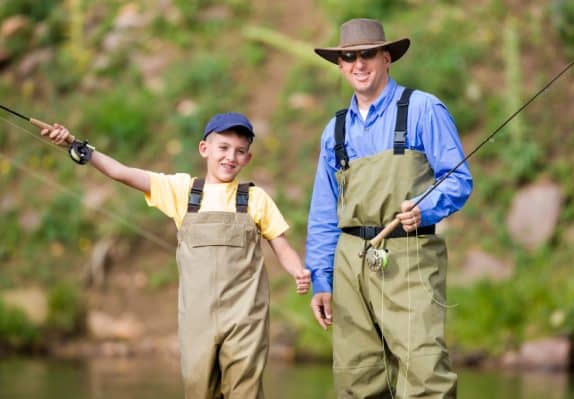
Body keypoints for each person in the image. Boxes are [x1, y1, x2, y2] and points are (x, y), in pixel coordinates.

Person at [40, 112, 311, 399]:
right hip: (197, 320)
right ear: (204, 149)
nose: (230, 157)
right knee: (198, 390)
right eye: (223, 147)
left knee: (246, 392)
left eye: (240, 151)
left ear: (248, 158)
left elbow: (280, 244)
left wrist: (297, 271)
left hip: (246, 318)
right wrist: (75, 145)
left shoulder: (255, 198)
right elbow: (120, 172)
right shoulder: (183, 190)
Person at [306, 18, 473, 398]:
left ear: (386, 58)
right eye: (349, 57)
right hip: (350, 262)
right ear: (340, 64)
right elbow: (323, 211)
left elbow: (458, 179)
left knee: (423, 371)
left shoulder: (423, 109)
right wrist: (321, 277)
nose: (358, 64)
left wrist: (425, 208)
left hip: (409, 254)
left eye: (367, 55)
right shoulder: (334, 131)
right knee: (357, 376)